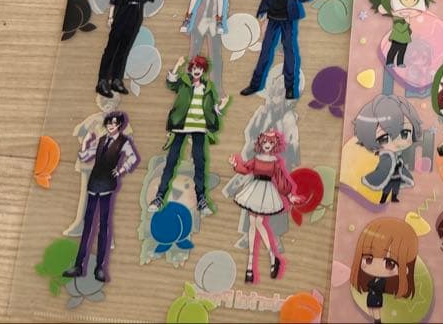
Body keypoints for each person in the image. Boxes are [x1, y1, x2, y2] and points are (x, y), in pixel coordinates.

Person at [62, 111, 138, 283]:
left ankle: (100, 268)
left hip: (107, 185)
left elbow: (132, 158)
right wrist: (86, 142)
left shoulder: (124, 142)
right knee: (87, 225)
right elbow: (84, 156)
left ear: (120, 125)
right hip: (94, 183)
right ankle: (79, 265)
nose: (111, 126)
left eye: (114, 123)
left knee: (104, 225)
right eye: (109, 123)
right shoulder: (101, 140)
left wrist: (121, 170)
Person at [149, 55, 228, 215]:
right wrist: (177, 65)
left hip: (199, 128)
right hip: (181, 126)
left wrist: (221, 106)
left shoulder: (207, 87)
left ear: (204, 70)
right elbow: (171, 83)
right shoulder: (184, 82)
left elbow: (209, 109)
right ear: (191, 69)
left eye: (200, 68)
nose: (197, 71)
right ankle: (159, 197)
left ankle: (201, 199)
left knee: (200, 163)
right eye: (194, 68)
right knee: (171, 160)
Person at [228, 129, 302, 283]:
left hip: (266, 193)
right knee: (253, 224)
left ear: (275, 145)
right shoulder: (256, 159)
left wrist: (290, 196)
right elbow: (245, 169)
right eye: (265, 142)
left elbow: (281, 180)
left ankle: (269, 258)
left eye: (271, 143)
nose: (267, 145)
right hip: (254, 190)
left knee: (258, 223)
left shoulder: (275, 162)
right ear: (260, 143)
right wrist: (235, 164)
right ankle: (252, 265)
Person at [243, 0, 314, 100]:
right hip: (274, 16)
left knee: (289, 51)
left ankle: (290, 88)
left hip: (288, 18)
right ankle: (255, 84)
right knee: (266, 50)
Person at [97, 0, 159, 97]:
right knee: (111, 47)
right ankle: (102, 81)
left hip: (136, 13)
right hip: (122, 11)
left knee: (124, 49)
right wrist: (111, 16)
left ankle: (116, 80)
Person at [351, 218, 419, 324]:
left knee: (376, 312)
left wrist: (371, 286)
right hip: (371, 298)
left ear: (405, 269)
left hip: (376, 299)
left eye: (390, 264)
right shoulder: (374, 279)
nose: (376, 266)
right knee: (371, 310)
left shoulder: (382, 281)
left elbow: (377, 288)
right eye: (368, 259)